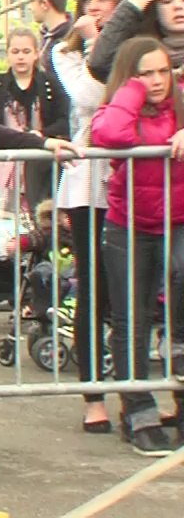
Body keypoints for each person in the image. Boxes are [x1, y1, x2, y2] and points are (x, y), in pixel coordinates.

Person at [89, 36, 182, 457]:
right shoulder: (120, 106)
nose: (158, 80)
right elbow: (110, 133)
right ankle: (139, 414)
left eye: (163, 71)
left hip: (179, 221)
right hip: (129, 225)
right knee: (131, 320)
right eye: (146, 73)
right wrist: (132, 90)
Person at [52, 0, 130, 433]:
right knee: (94, 290)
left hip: (135, 182)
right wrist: (93, 44)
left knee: (131, 291)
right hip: (89, 186)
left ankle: (134, 394)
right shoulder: (67, 52)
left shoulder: (137, 48)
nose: (95, 6)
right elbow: (93, 94)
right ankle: (93, 395)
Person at [0, 27, 70, 210]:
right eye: (15, 51)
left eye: (26, 51)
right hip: (0, 167)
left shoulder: (50, 83)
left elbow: (65, 121)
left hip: (41, 167)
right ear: (7, 54)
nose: (20, 57)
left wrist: (41, 134)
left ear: (36, 54)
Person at [88, 0, 184, 81]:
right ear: (153, 9)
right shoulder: (139, 52)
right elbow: (100, 66)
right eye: (167, 1)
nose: (178, 6)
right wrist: (131, 7)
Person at [31, 0, 71, 75]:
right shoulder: (44, 35)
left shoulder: (71, 39)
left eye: (32, 1)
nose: (30, 7)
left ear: (44, 4)